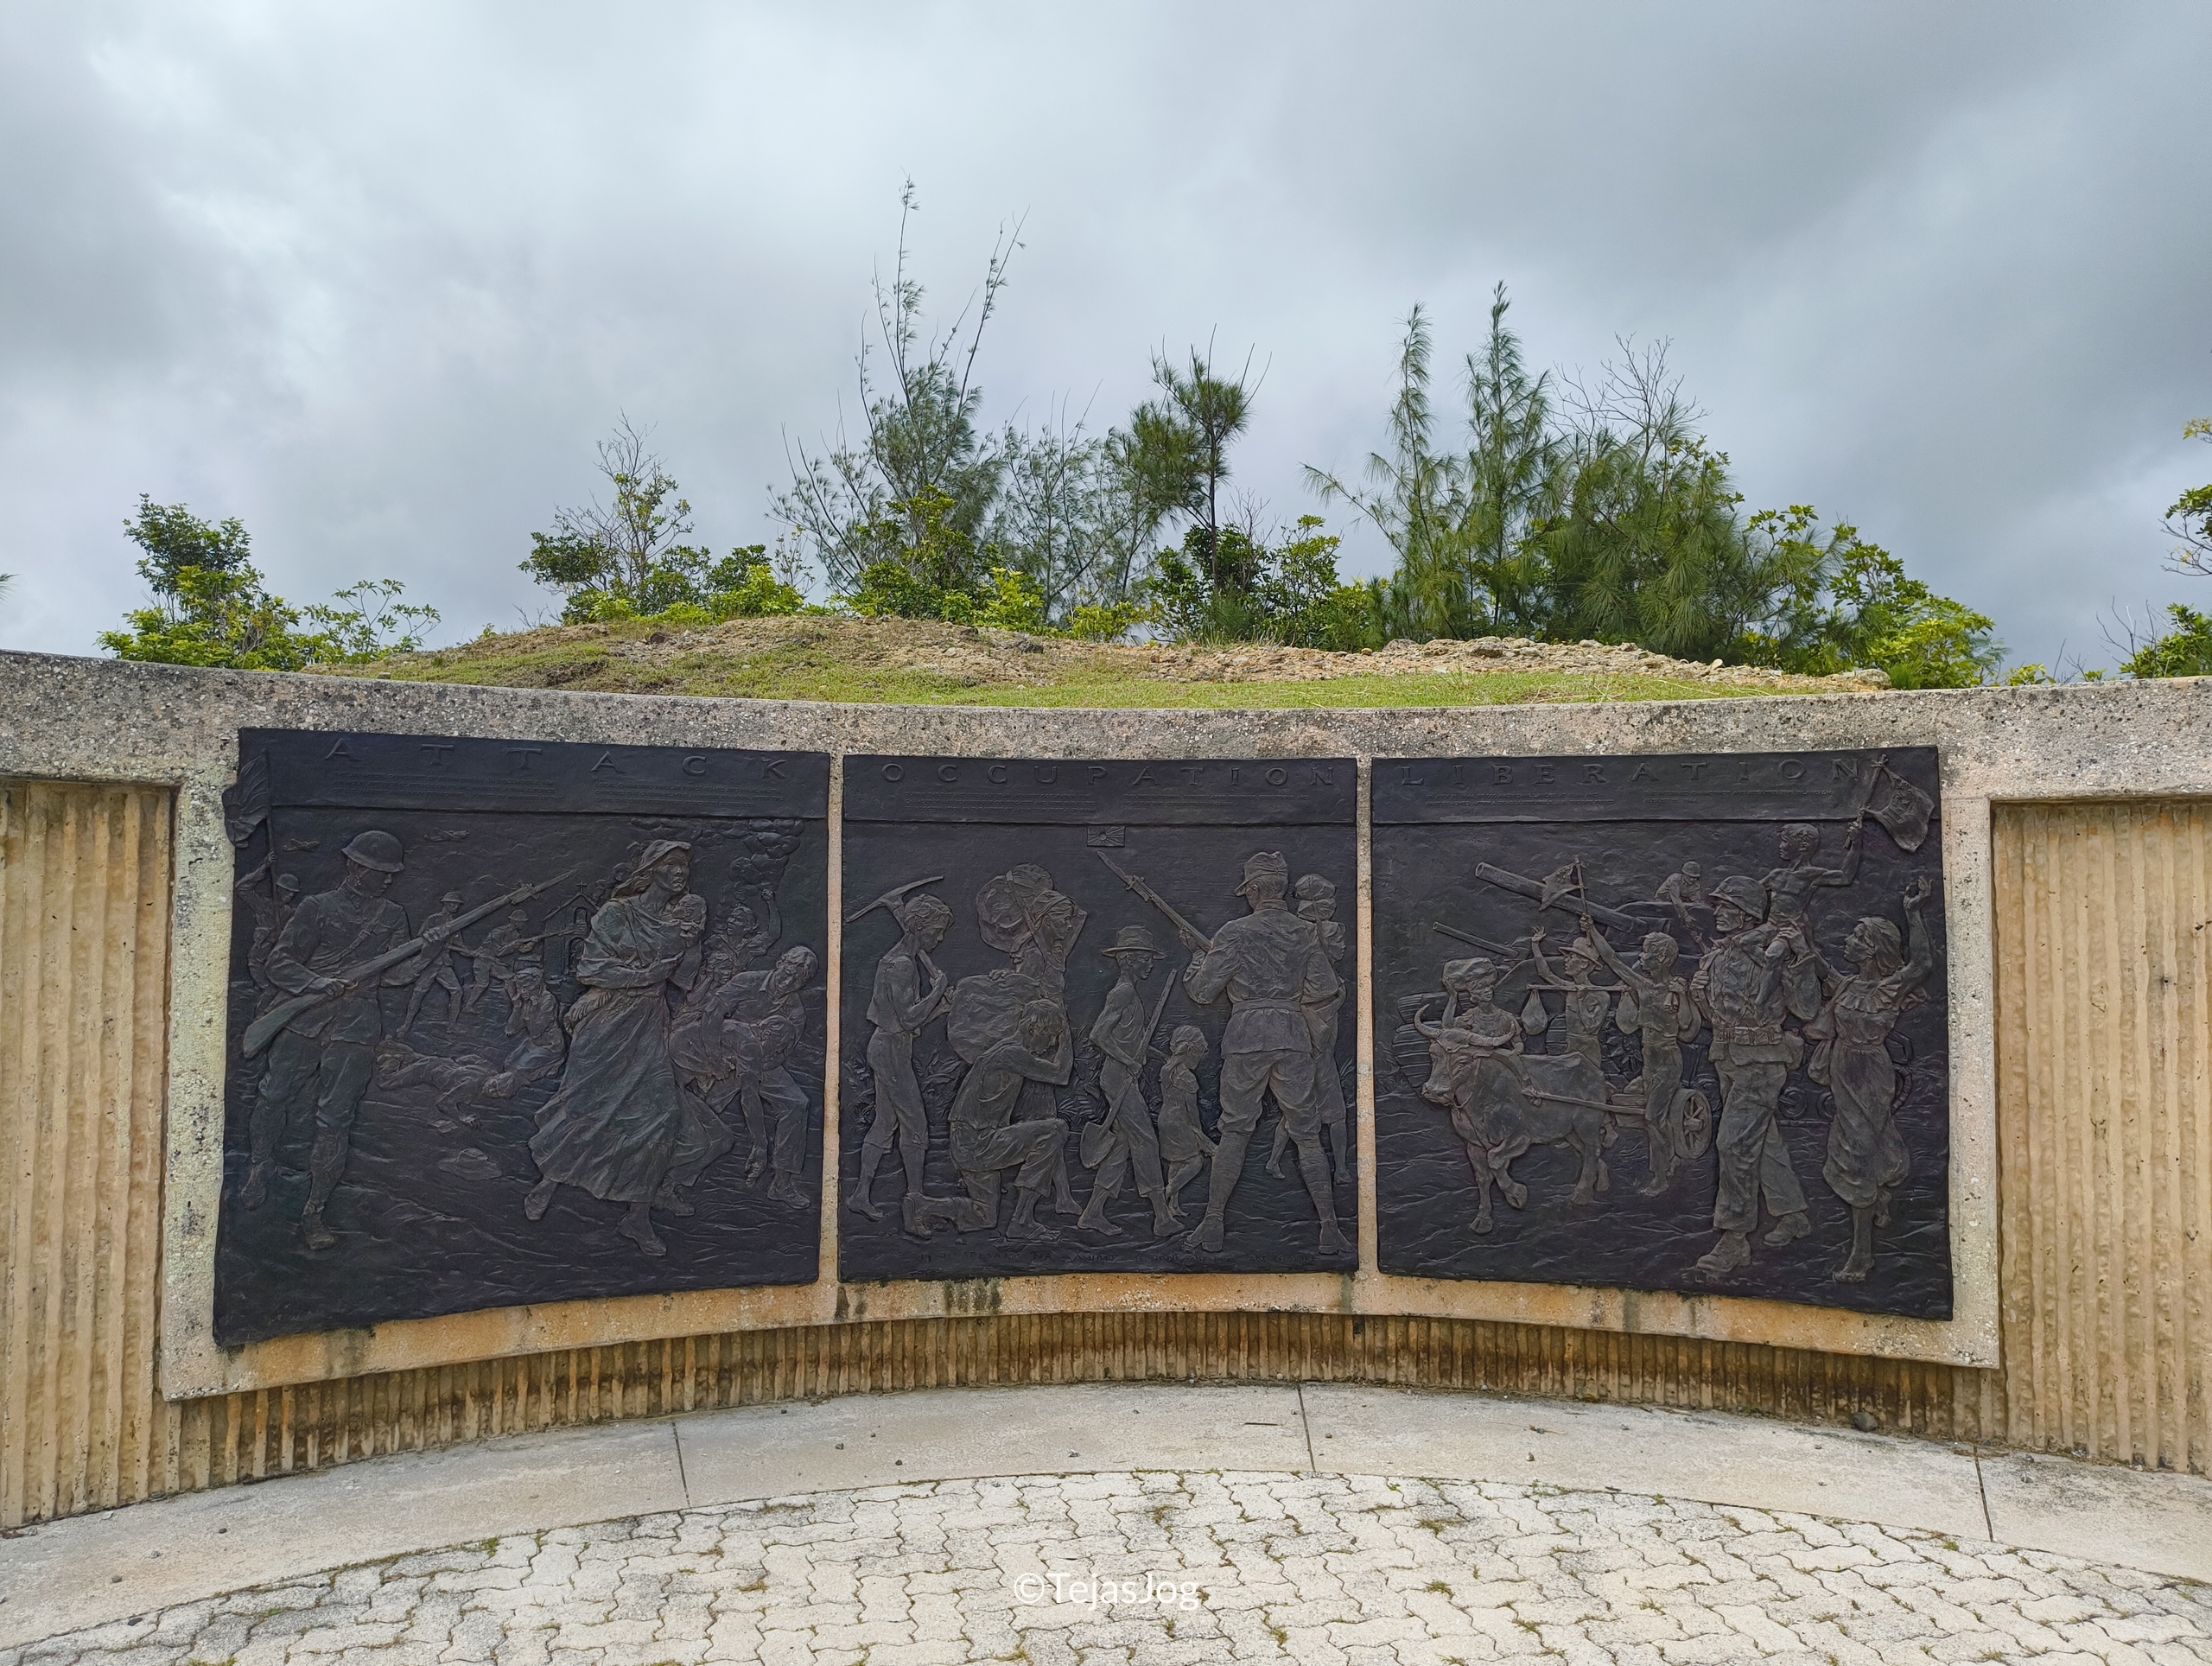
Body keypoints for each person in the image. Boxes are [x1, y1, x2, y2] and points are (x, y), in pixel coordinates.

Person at [524, 840, 725, 1257]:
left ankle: (637, 1216)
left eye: (684, 867)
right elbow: (591, 968)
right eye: (670, 865)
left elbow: (683, 980)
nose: (679, 873)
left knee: (659, 1117)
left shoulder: (677, 922)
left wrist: (691, 943)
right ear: (650, 870)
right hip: (606, 1020)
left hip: (648, 1022)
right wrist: (643, 975)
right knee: (588, 1106)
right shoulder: (617, 914)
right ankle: (548, 1183)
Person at [245, 829, 435, 1250]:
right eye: (382, 871)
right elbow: (280, 963)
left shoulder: (392, 915)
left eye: (391, 873)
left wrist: (428, 952)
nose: (389, 879)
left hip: (356, 1028)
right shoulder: (317, 907)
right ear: (356, 866)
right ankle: (260, 1165)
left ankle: (314, 1211)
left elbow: (397, 977)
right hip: (305, 1020)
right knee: (273, 1096)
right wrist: (316, 982)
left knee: (335, 1120)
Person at [1179, 851, 1347, 1255]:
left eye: (1248, 890)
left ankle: (1213, 1222)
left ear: (1254, 889)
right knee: (1307, 1134)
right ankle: (1329, 1228)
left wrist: (1198, 958)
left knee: (1235, 1130)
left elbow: (1202, 992)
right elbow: (1323, 989)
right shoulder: (1305, 932)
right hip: (1293, 1036)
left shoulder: (1234, 932)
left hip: (1247, 1036)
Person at [1688, 875, 1821, 1275]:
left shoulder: (1772, 953)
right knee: (1763, 1142)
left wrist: (1802, 958)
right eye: (1717, 905)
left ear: (1747, 914)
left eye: (1726, 906)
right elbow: (1717, 1017)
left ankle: (1734, 1239)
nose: (1717, 912)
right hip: (1728, 1057)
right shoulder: (1716, 957)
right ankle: (1793, 1213)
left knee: (1733, 1144)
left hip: (1762, 1062)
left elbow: (1807, 1009)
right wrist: (1698, 995)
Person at [1808, 878, 1936, 1282]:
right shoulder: (1848, 985)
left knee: (1858, 1148)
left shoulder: (1889, 988)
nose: (1847, 941)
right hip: (1842, 1067)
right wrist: (1801, 939)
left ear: (1872, 949)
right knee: (1864, 1141)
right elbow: (1824, 971)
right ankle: (1877, 1197)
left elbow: (1922, 965)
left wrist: (1913, 913)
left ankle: (1861, 1254)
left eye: (1856, 937)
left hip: (1871, 1071)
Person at [851, 893, 953, 1233]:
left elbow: (906, 1019)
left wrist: (941, 1008)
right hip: (891, 1052)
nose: (940, 938)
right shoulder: (901, 965)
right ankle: (915, 1207)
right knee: (916, 1128)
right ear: (919, 926)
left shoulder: (898, 961)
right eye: (937, 931)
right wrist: (937, 991)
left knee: (884, 1125)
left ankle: (860, 1195)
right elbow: (908, 1018)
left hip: (891, 1047)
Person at [936, 998, 1078, 1242]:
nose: (1052, 1043)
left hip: (969, 1141)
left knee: (985, 1217)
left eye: (1056, 1037)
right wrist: (1066, 1037)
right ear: (1034, 1029)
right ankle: (1022, 1221)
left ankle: (920, 1205)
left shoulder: (1004, 1050)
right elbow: (1060, 1074)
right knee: (1055, 1130)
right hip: (978, 1143)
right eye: (1051, 1036)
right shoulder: (1012, 1054)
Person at [1580, 919, 1705, 1195]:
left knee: (1653, 1117)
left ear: (1661, 958)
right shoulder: (1643, 986)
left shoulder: (1674, 990)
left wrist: (1682, 997)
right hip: (1649, 1061)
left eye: (1646, 951)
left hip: (1668, 1061)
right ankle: (1669, 1160)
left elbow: (1686, 1025)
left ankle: (1660, 1177)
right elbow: (1612, 959)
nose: (1640, 956)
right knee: (1653, 1114)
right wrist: (1592, 931)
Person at [1077, 925, 1174, 1238]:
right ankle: (1162, 1216)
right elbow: (1099, 1034)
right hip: (1118, 1077)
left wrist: (1160, 1056)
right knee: (1146, 1140)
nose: (1150, 964)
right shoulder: (1123, 993)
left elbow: (1133, 1041)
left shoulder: (1130, 992)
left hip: (1122, 1074)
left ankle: (1092, 1212)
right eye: (1146, 958)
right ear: (1129, 959)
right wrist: (1129, 1061)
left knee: (1121, 1145)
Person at [721, 945, 820, 1208]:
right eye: (791, 970)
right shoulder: (746, 981)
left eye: (800, 978)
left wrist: (753, 1063)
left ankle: (781, 1184)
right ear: (780, 962)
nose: (792, 979)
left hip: (763, 1065)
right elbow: (711, 1016)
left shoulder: (795, 1013)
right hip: (722, 1053)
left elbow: (781, 1054)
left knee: (797, 1104)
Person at [1269, 875, 1351, 1183]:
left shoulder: (1311, 942)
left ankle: (1339, 1168)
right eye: (1336, 938)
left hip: (1320, 1035)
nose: (1342, 945)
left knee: (1302, 1108)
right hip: (1313, 1043)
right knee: (1322, 1110)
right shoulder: (1308, 937)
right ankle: (1339, 1169)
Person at [1156, 1025, 1217, 1222]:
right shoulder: (1188, 1078)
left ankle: (1173, 1207)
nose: (1199, 1060)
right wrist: (1198, 1130)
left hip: (1165, 1121)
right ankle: (1165, 1193)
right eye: (1199, 1054)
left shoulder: (1167, 1071)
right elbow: (1192, 1109)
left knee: (1176, 1162)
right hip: (1180, 1123)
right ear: (1190, 1051)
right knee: (1194, 1162)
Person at [484, 962, 566, 1098]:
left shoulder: (547, 1000)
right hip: (533, 1043)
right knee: (509, 1064)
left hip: (550, 1045)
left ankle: (503, 1089)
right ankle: (500, 1087)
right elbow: (510, 1029)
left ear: (537, 985)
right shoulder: (527, 1002)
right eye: (520, 988)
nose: (522, 992)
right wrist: (517, 1007)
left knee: (518, 1069)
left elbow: (536, 1031)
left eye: (526, 987)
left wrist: (534, 1008)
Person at [1765, 822, 1861, 935]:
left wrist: (1856, 844)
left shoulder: (1811, 875)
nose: (1781, 846)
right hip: (1769, 927)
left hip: (1791, 930)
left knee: (1775, 947)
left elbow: (1845, 877)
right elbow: (1752, 890)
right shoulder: (1776, 875)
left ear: (1803, 846)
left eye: (1785, 841)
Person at [400, 891, 472, 1036]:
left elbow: (459, 944)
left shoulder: (455, 924)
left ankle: (451, 1026)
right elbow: (420, 940)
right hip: (430, 963)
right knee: (418, 993)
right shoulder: (433, 919)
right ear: (445, 904)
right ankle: (406, 1026)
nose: (455, 907)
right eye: (453, 904)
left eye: (457, 905)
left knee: (457, 992)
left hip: (444, 964)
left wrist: (470, 953)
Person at [461, 907, 536, 1014]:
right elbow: (498, 951)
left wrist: (532, 942)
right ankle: (468, 1006)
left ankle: (516, 1004)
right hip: (483, 960)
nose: (524, 924)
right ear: (517, 922)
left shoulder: (516, 935)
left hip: (494, 962)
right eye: (523, 922)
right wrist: (512, 946)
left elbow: (522, 950)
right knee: (482, 984)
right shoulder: (497, 933)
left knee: (509, 978)